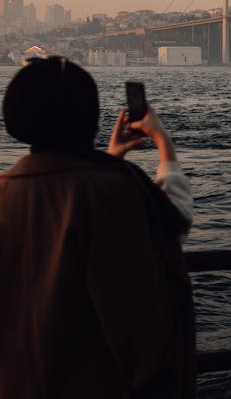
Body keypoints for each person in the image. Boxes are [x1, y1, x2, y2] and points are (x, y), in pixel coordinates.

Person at [0, 56, 196, 399]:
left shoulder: (6, 189)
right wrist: (164, 143)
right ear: (88, 116)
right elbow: (171, 222)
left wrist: (108, 159)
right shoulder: (110, 190)